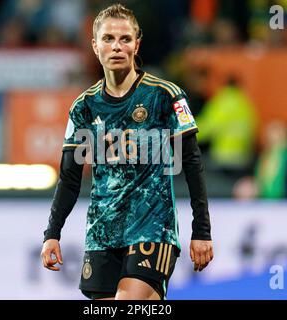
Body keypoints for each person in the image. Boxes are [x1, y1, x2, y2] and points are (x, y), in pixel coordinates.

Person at [40, 4, 213, 300]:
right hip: (102, 233)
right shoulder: (83, 107)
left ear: (137, 44)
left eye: (125, 39)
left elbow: (192, 163)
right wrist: (52, 233)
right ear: (95, 46)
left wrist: (202, 230)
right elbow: (69, 177)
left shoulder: (165, 95)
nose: (117, 47)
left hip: (152, 229)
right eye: (108, 39)